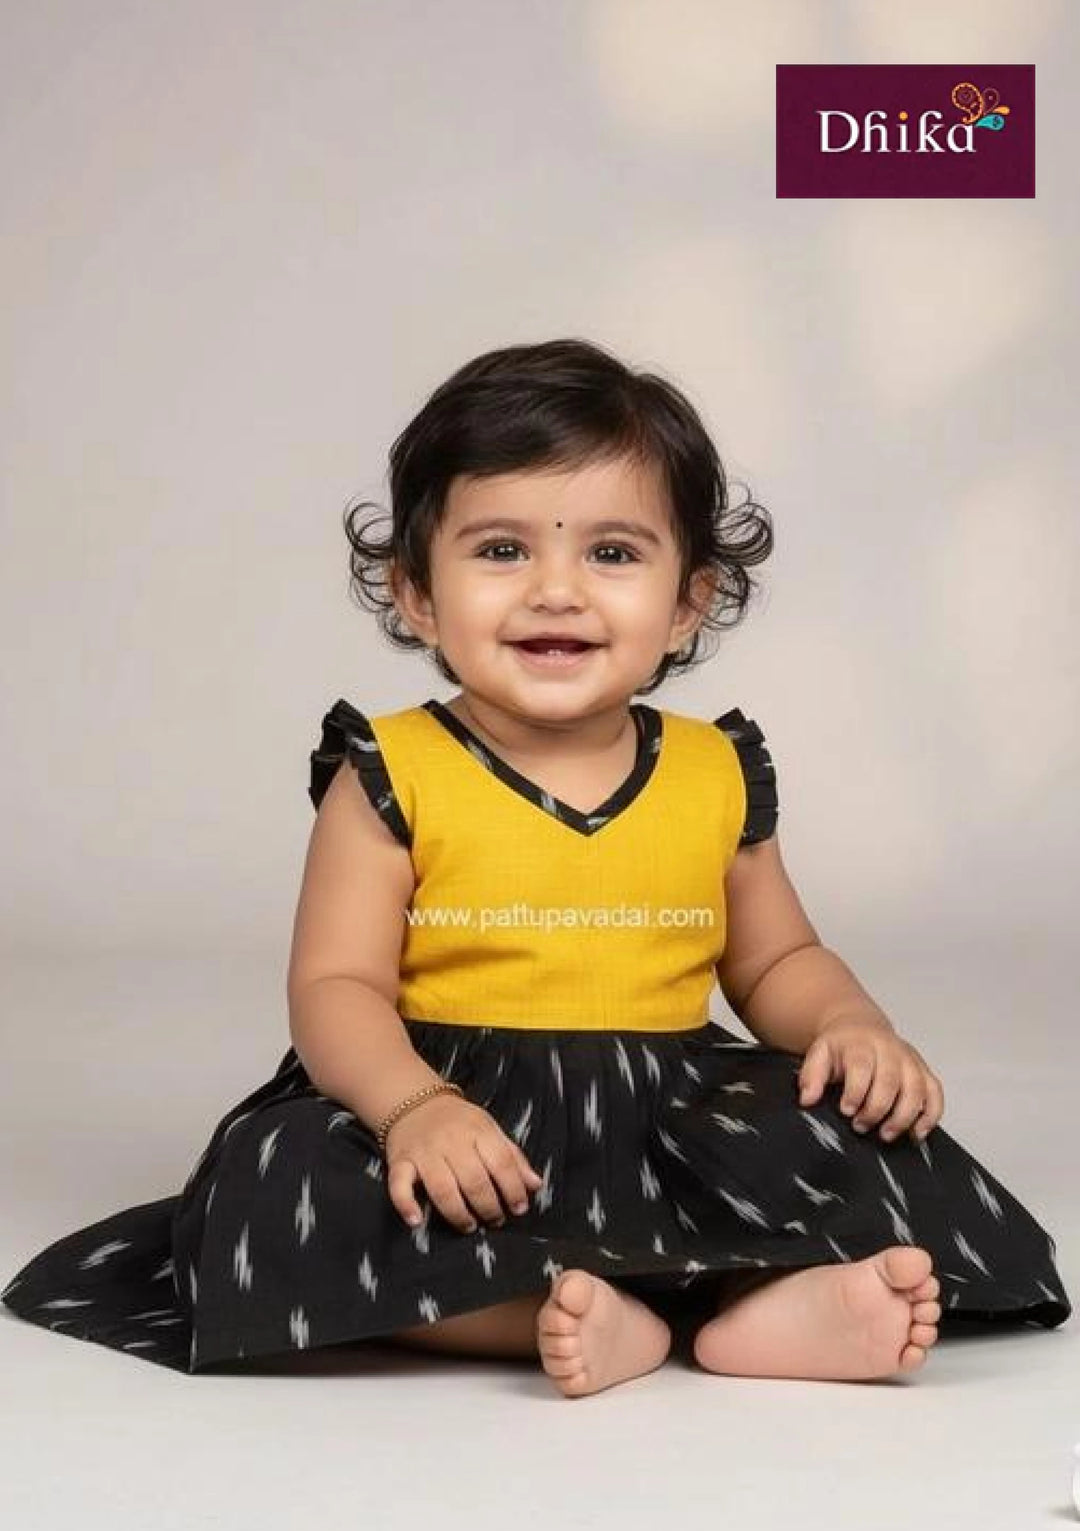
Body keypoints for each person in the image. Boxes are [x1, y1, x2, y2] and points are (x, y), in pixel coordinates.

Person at [2, 338, 1070, 1393]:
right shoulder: (390, 771)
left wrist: (851, 1026)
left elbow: (779, 955)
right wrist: (410, 1108)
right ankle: (569, 1317)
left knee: (864, 1130)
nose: (556, 591)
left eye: (612, 554)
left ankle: (760, 1314)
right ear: (416, 591)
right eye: (502, 550)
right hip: (460, 1114)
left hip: (668, 1117)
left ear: (689, 601)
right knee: (280, 1184)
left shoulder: (715, 771)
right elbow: (336, 987)